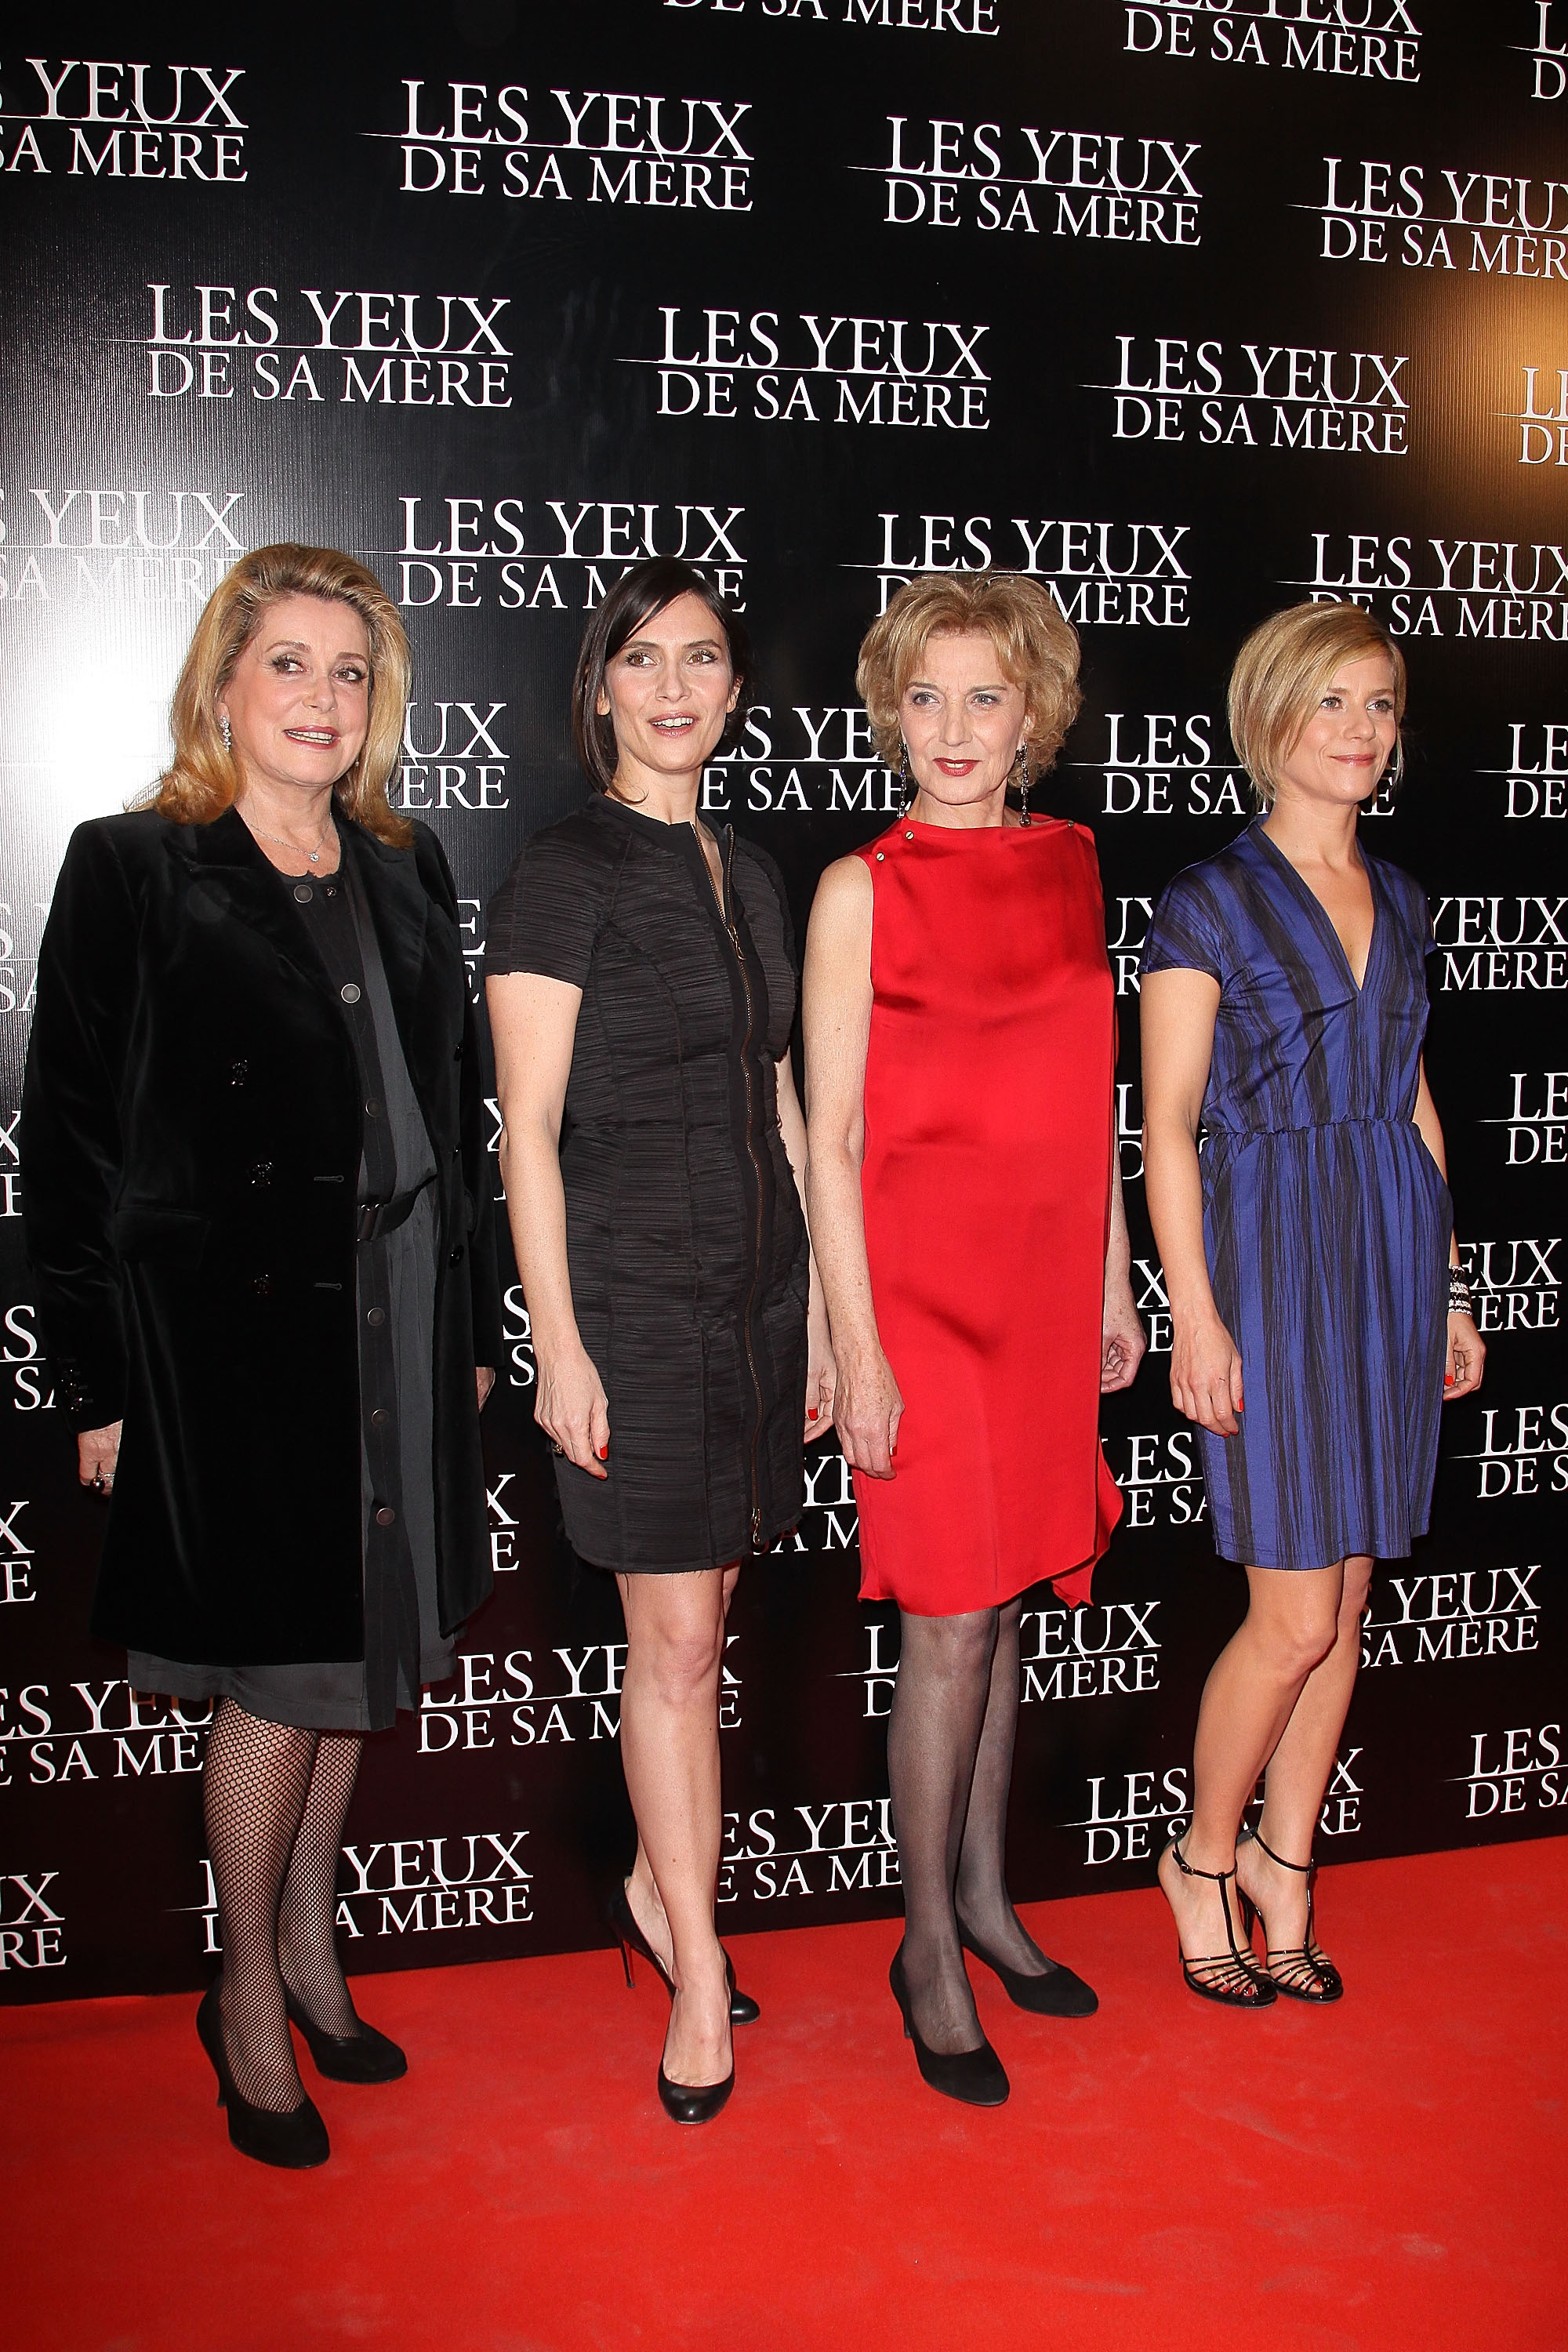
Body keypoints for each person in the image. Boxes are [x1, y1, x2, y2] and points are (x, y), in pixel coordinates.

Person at [21, 545, 499, 2167]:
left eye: (349, 672)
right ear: (222, 684)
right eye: (287, 664)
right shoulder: (134, 867)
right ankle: (240, 1995)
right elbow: (67, 1143)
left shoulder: (406, 865)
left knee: (356, 1661)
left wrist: (471, 1322)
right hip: (233, 1343)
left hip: (403, 1306)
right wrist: (97, 1382)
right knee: (280, 1679)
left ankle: (309, 1946)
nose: (321, 698)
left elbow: (456, 1113)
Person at [485, 557, 833, 2126]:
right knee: (678, 1646)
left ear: (735, 690)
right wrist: (559, 1344)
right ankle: (697, 1963)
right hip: (631, 1306)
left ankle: (653, 1884)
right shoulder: (563, 872)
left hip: (759, 1308)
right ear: (601, 688)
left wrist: (819, 1317)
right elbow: (527, 1131)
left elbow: (782, 1102)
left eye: (701, 659)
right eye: (643, 660)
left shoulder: (749, 871)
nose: (674, 687)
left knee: (708, 1626)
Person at [803, 572, 1143, 2108]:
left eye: (984, 697)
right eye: (924, 697)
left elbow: (1093, 1096)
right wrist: (857, 1345)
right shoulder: (859, 889)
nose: (951, 728)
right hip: (921, 1306)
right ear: (892, 713)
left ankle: (990, 1902)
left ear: (1034, 716)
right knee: (946, 1624)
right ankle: (925, 1948)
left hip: (1043, 1295)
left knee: (1004, 1611)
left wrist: (1114, 1280)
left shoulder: (1072, 864)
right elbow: (831, 1140)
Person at [1139, 601, 1484, 2009]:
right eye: (1329, 701)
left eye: (1379, 703)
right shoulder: (1206, 901)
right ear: (1267, 718)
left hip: (1390, 1250)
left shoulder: (1403, 896)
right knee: (1288, 1615)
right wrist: (1197, 1313)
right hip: (1273, 1255)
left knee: (1345, 1601)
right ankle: (1201, 1859)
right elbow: (1166, 1127)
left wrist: (1447, 1285)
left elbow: (1414, 1099)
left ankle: (1288, 1864)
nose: (1358, 728)